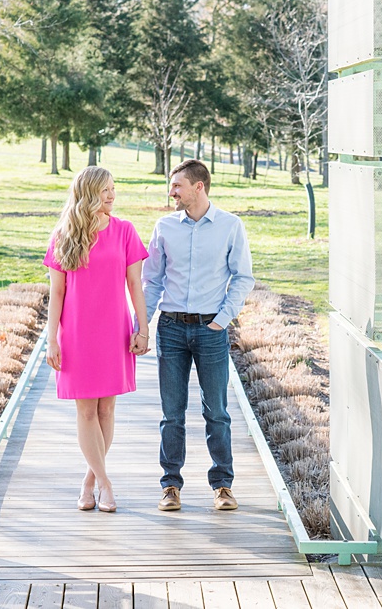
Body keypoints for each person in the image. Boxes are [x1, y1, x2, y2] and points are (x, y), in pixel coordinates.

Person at [143, 159, 255, 511]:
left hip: (210, 331)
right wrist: (141, 326)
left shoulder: (230, 226)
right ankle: (170, 486)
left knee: (216, 411)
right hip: (171, 329)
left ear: (199, 187)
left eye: (177, 186)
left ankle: (222, 485)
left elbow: (243, 277)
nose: (171, 192)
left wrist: (222, 320)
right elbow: (152, 281)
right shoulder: (164, 227)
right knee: (171, 413)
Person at [44, 166, 150, 513]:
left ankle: (90, 480)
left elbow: (135, 285)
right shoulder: (64, 235)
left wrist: (142, 328)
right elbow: (56, 293)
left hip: (114, 331)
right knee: (86, 409)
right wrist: (52, 340)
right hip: (76, 333)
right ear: (88, 192)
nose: (111, 195)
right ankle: (105, 483)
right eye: (104, 189)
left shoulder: (124, 231)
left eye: (113, 189)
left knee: (107, 408)